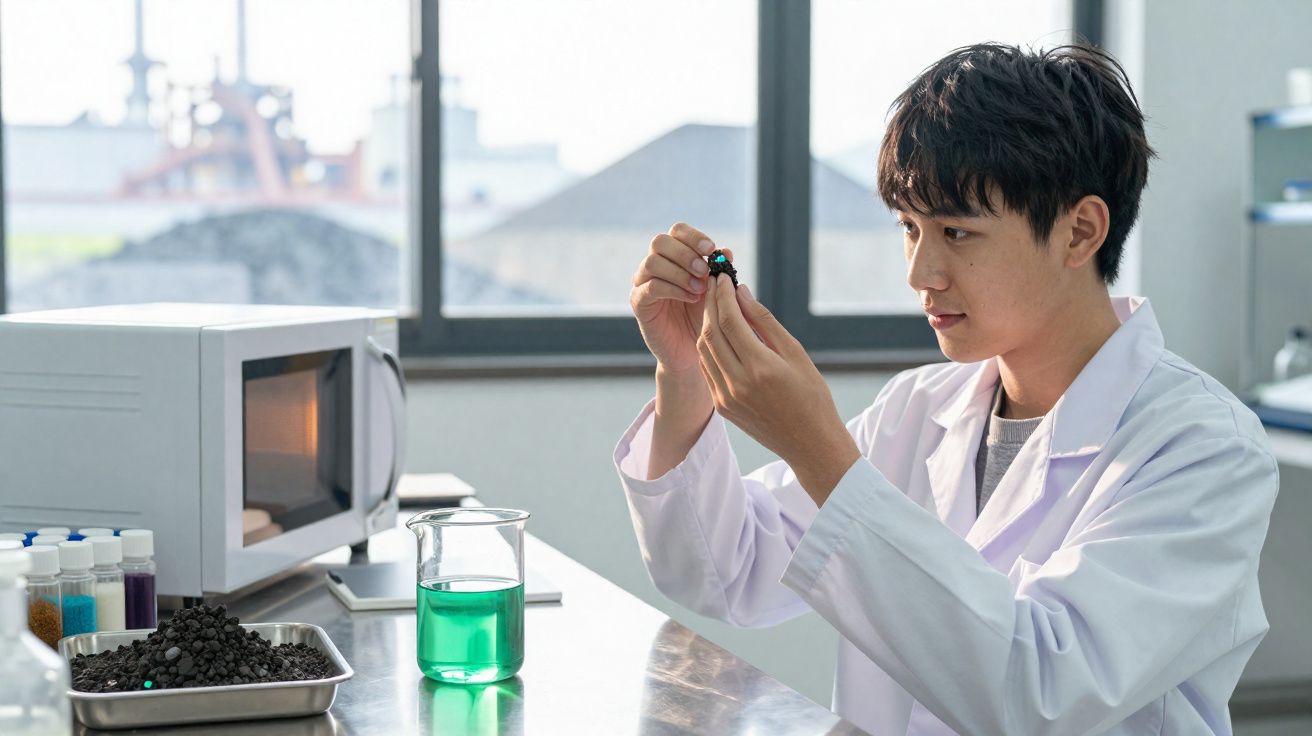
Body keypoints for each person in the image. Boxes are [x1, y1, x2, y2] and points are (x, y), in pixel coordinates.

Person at [613, 42, 1279, 735]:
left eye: (957, 230)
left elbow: (1041, 694)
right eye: (909, 228)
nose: (921, 272)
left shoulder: (1201, 449)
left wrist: (820, 453)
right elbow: (725, 572)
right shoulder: (919, 410)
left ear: (1080, 231)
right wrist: (684, 372)